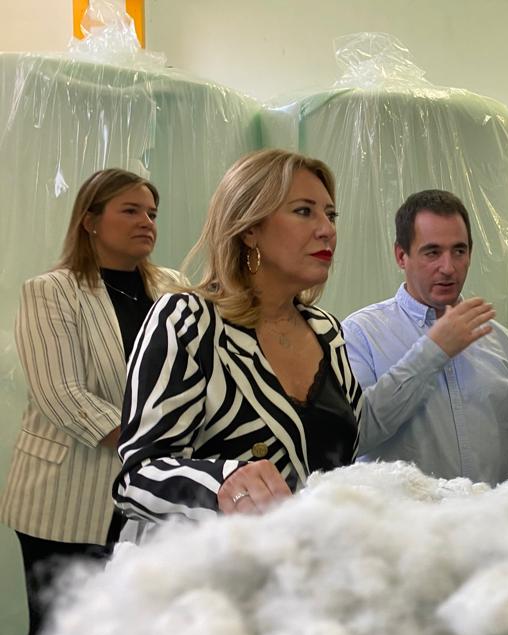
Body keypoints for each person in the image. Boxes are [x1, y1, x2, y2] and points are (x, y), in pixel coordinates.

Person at [114, 149, 365, 539]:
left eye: (331, 215)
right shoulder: (188, 320)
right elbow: (137, 479)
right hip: (205, 568)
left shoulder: (327, 332)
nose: (326, 230)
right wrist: (223, 483)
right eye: (304, 211)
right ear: (250, 229)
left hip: (305, 565)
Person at [0, 168, 174, 635]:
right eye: (131, 210)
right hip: (65, 497)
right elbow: (62, 394)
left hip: (150, 493)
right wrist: (152, 447)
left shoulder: (174, 289)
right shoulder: (51, 291)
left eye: (152, 213)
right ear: (90, 221)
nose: (147, 222)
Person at [341, 189, 508, 484]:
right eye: (432, 252)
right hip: (403, 514)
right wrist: (433, 350)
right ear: (401, 256)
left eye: (459, 251)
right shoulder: (361, 335)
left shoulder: (498, 339)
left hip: (491, 512)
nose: (448, 268)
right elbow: (356, 435)